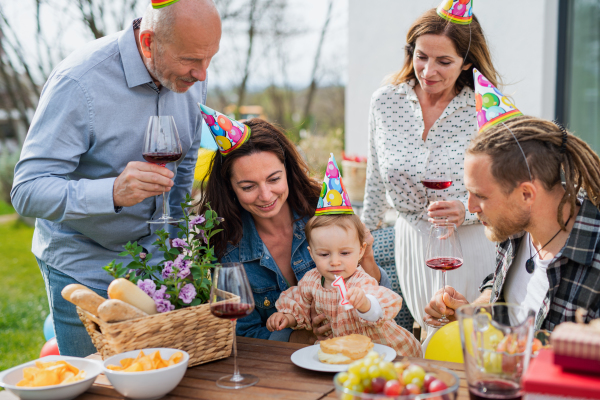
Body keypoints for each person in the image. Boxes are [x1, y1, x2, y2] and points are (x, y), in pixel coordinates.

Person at [10, 0, 222, 357]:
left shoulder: (191, 74)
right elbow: (27, 190)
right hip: (84, 266)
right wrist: (111, 192)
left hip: (155, 266)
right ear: (148, 42)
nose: (202, 74)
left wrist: (176, 249)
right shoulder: (79, 82)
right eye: (191, 60)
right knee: (97, 388)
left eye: (209, 59)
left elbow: (183, 166)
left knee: (158, 378)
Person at [196, 106, 393, 344]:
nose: (266, 195)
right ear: (230, 188)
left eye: (274, 179)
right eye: (248, 187)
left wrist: (367, 255)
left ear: (288, 172)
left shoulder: (324, 214)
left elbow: (382, 295)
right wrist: (299, 336)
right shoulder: (226, 249)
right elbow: (242, 334)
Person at [361, 2, 496, 342]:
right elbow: (375, 178)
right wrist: (361, 236)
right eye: (421, 56)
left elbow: (504, 187)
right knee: (432, 338)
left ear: (466, 61)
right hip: (413, 241)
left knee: (473, 339)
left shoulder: (486, 107)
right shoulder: (385, 102)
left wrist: (465, 210)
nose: (428, 70)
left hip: (471, 241)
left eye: (444, 61)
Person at [424, 115, 600, 329]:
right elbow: (505, 290)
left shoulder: (594, 262)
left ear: (526, 194)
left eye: (481, 196)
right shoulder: (514, 227)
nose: (470, 207)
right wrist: (473, 311)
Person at [266, 159, 421, 356]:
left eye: (345, 253)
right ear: (311, 253)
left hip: (377, 348)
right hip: (341, 350)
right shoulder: (311, 281)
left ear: (361, 251)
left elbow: (380, 309)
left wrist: (365, 303)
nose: (335, 261)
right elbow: (299, 305)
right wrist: (286, 317)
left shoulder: (359, 281)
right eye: (324, 254)